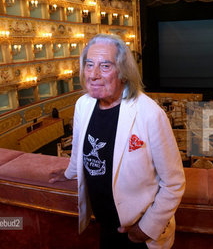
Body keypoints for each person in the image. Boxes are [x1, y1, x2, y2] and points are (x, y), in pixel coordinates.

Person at [49, 34, 185, 249]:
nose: (93, 74)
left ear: (123, 72)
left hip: (138, 231)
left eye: (105, 66)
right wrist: (69, 172)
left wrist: (147, 228)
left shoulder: (150, 113)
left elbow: (174, 182)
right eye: (89, 64)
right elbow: (78, 149)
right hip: (104, 223)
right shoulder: (82, 105)